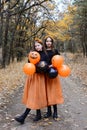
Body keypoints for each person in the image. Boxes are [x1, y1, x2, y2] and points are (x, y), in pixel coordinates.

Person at [15, 38, 48, 124]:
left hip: (40, 78)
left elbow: (45, 66)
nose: (37, 47)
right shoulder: (33, 54)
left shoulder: (45, 55)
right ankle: (38, 114)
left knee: (34, 95)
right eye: (35, 46)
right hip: (32, 76)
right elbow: (29, 64)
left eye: (38, 45)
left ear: (42, 45)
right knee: (34, 95)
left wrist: (40, 66)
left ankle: (23, 116)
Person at [43, 36, 64, 120]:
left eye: (50, 41)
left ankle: (55, 112)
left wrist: (53, 65)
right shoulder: (43, 51)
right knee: (47, 93)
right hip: (45, 74)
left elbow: (60, 61)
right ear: (45, 42)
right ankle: (49, 111)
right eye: (47, 41)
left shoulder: (55, 51)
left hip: (53, 73)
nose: (48, 43)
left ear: (52, 42)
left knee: (53, 93)